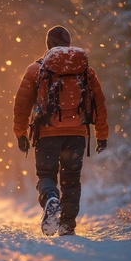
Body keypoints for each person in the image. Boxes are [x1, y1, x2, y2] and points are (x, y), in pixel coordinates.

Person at [13, 25, 109, 236]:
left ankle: (50, 198)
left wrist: (20, 133)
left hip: (47, 133)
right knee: (72, 180)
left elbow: (22, 105)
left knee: (46, 175)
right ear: (68, 45)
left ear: (48, 45)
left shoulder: (35, 70)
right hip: (77, 134)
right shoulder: (85, 71)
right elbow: (99, 103)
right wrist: (102, 135)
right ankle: (67, 226)